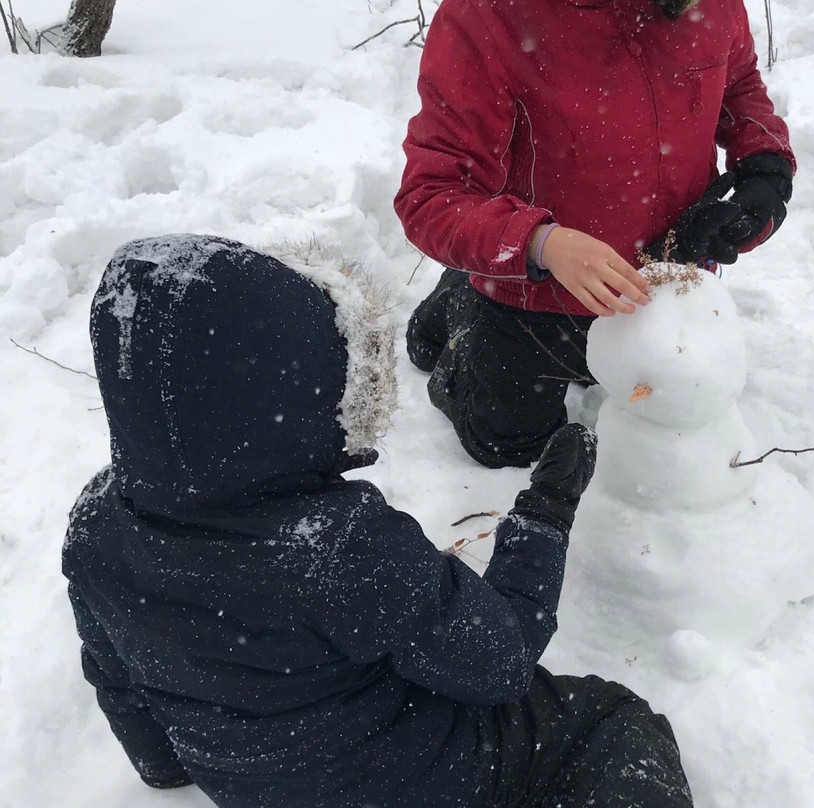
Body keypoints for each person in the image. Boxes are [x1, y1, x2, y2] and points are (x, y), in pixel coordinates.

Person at [63, 234, 694, 808]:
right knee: (609, 724)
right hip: (420, 780)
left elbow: (115, 677)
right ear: (284, 390)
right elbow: (501, 663)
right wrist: (547, 509)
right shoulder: (338, 549)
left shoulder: (96, 524)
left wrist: (165, 770)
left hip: (249, 782)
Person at [396, 0, 796, 469]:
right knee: (507, 445)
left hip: (668, 279)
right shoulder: (486, 15)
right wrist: (538, 243)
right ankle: (461, 301)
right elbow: (431, 194)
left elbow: (740, 85)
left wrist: (764, 174)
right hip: (541, 290)